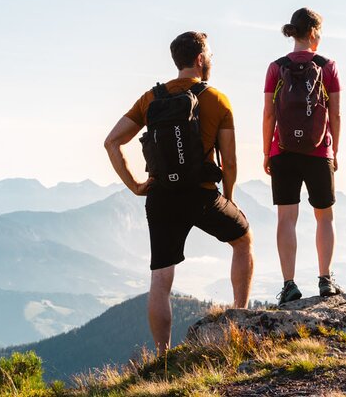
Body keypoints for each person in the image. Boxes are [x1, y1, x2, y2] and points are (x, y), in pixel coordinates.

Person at [103, 31, 253, 353]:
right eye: (210, 55)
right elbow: (229, 160)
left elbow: (111, 142)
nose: (211, 59)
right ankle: (240, 316)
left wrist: (135, 185)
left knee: (161, 277)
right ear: (200, 59)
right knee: (243, 240)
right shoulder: (217, 100)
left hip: (160, 196)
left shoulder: (150, 98)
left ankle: (163, 356)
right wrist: (228, 196)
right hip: (201, 195)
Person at [262, 7, 343, 304]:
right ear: (312, 32)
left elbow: (269, 113)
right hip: (319, 150)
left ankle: (289, 285)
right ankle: (325, 279)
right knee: (324, 216)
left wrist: (266, 152)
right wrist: (334, 152)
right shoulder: (327, 65)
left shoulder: (276, 67)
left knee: (286, 217)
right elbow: (335, 112)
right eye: (320, 32)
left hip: (282, 150)